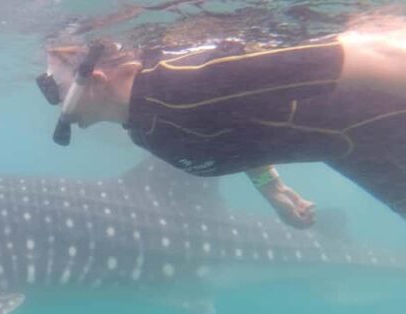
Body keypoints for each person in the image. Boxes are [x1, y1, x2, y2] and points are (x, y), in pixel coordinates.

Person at [35, 15, 406, 228]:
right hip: (353, 149)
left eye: (52, 89)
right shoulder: (145, 129)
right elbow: (234, 127)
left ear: (94, 79)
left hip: (386, 121)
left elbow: (376, 55)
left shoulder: (191, 82)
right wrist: (272, 187)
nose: (53, 104)